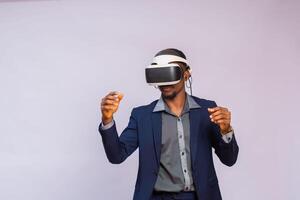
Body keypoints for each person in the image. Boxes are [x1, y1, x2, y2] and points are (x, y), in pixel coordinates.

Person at [99, 48, 239, 200]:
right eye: (159, 75)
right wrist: (107, 120)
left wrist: (226, 130)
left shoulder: (207, 111)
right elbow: (116, 156)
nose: (165, 82)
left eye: (170, 73)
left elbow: (229, 160)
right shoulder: (142, 116)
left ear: (186, 75)